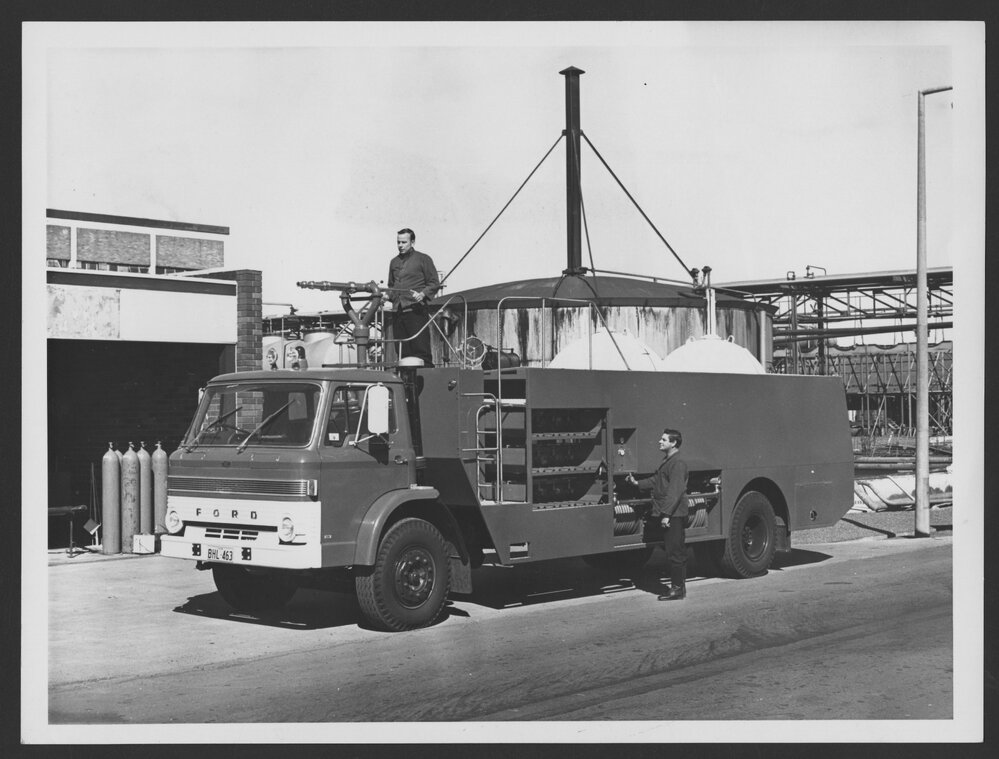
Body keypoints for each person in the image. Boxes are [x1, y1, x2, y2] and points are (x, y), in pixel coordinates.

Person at [626, 428, 689, 601]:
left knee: (674, 551)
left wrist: (666, 515)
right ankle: (679, 588)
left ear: (673, 442)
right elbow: (656, 480)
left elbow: (675, 492)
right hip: (670, 512)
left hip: (674, 514)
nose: (659, 442)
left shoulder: (678, 463)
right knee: (674, 550)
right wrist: (636, 483)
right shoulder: (668, 461)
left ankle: (677, 589)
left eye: (663, 439)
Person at [385, 228, 440, 366]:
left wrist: (423, 294)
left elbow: (434, 283)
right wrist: (386, 296)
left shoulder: (423, 259)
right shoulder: (394, 262)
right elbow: (391, 286)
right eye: (398, 242)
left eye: (404, 242)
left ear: (413, 242)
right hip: (398, 312)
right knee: (402, 351)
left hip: (416, 312)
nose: (400, 245)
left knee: (421, 351)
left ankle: (425, 382)